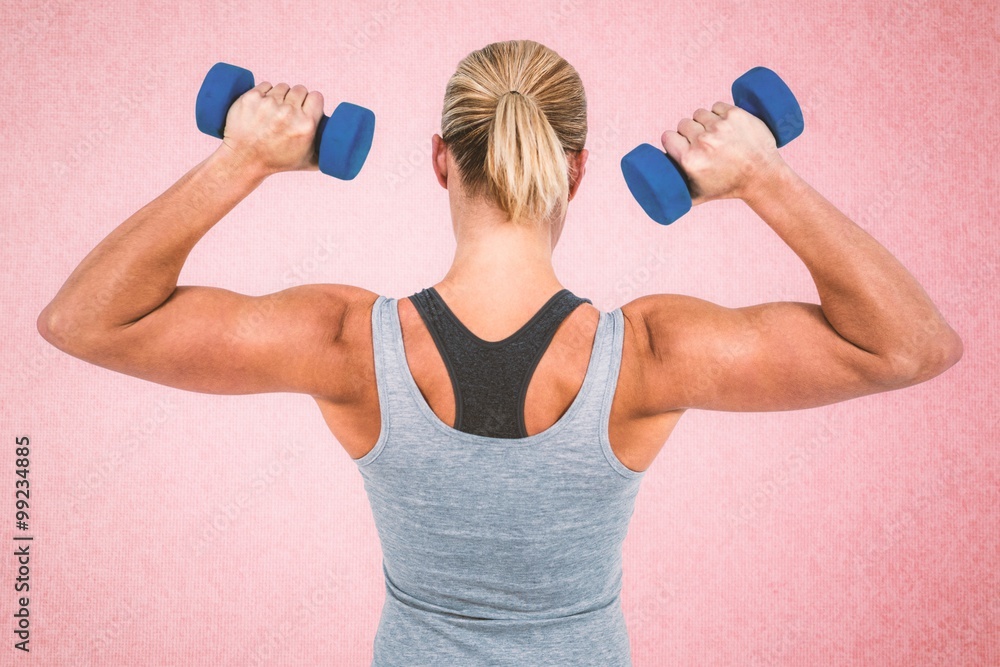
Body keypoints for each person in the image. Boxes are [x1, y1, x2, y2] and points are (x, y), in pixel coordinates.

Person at [37, 40, 962, 666]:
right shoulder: (648, 353)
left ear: (442, 159)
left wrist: (239, 159)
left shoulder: (349, 343)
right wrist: (765, 176)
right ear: (582, 168)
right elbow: (911, 346)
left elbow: (87, 321)